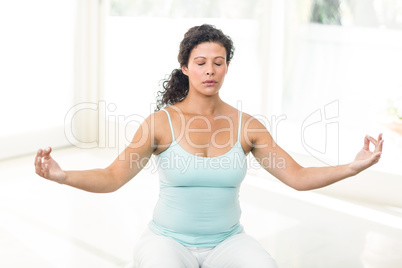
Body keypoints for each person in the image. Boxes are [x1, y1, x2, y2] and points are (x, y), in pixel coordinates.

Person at [34, 24, 383, 268]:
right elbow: (112, 176)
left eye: (218, 62)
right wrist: (62, 175)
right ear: (185, 67)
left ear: (227, 67)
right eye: (200, 63)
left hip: (228, 242)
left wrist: (353, 166)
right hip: (167, 241)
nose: (210, 70)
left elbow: (299, 176)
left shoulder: (248, 126)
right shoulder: (160, 123)